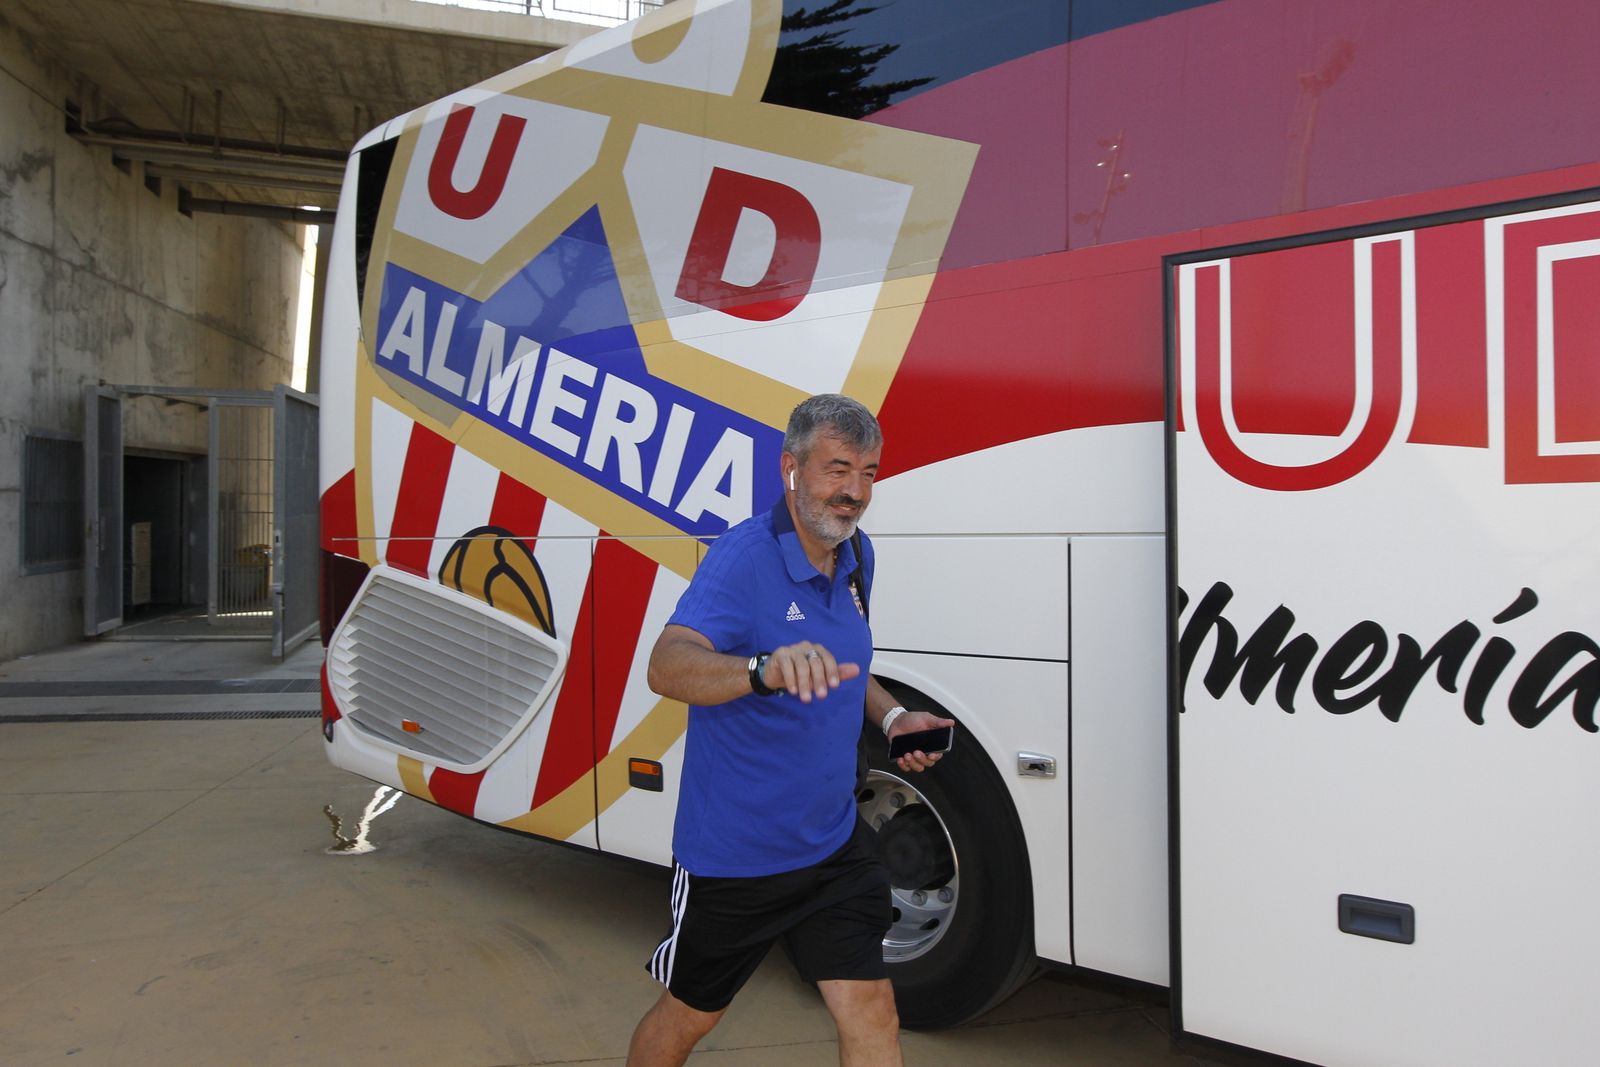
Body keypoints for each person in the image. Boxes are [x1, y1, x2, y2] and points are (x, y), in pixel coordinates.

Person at [626, 394, 955, 1067]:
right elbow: (666, 665)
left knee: (871, 1008)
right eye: (838, 469)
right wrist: (760, 667)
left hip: (832, 844)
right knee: (688, 1017)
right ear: (791, 469)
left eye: (868, 472)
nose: (855, 492)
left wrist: (894, 717)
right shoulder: (744, 558)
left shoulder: (856, 553)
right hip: (736, 858)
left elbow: (845, 663)